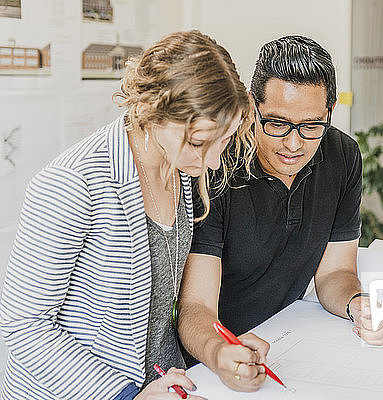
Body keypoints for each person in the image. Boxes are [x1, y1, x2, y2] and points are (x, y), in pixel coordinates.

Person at [0, 30, 254, 399]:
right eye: (199, 142)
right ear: (153, 111)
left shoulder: (177, 168)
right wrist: (128, 395)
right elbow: (24, 326)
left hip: (161, 382)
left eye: (225, 140)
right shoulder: (72, 182)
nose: (213, 161)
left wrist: (216, 352)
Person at [177, 35, 383, 393]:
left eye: (311, 126)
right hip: (210, 364)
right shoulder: (216, 164)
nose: (294, 145)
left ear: (331, 111)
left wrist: (358, 304)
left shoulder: (343, 156)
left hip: (291, 338)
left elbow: (335, 272)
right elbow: (195, 304)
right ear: (251, 105)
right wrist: (220, 352)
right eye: (277, 124)